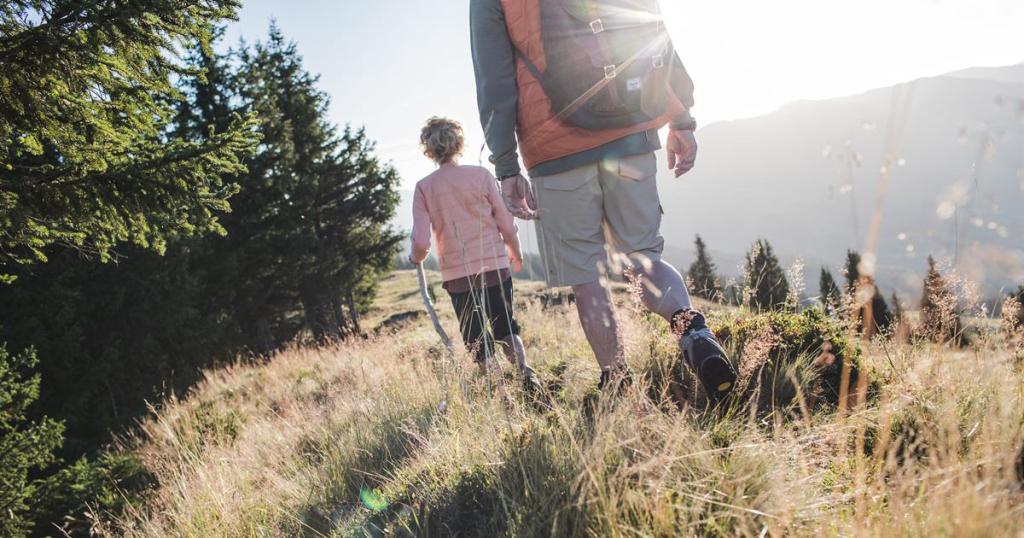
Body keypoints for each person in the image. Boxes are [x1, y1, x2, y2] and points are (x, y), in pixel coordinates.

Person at [470, 0, 737, 402]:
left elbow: (494, 78)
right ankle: (692, 329)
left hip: (554, 150)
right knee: (643, 256)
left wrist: (506, 165)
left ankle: (617, 380)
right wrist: (680, 118)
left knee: (586, 276)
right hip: (629, 128)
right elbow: (650, 28)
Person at [409, 117, 541, 392]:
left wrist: (416, 258)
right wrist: (515, 254)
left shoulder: (424, 188)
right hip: (494, 266)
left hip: (457, 275)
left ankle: (501, 393)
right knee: (506, 327)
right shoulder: (481, 176)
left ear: (429, 149)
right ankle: (527, 378)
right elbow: (506, 225)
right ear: (459, 143)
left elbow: (421, 241)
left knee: (476, 337)